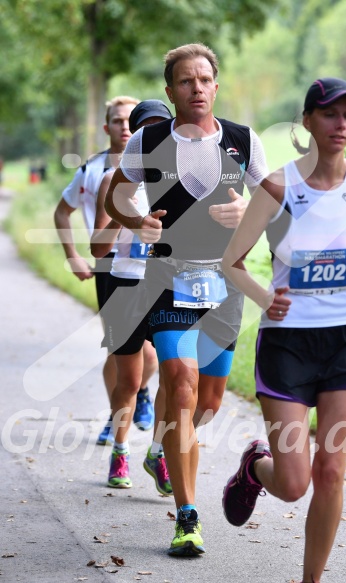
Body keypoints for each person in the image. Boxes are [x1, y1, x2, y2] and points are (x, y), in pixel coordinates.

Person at [221, 77, 346, 583]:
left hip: (344, 341)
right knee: (294, 484)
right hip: (287, 344)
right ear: (308, 121)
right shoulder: (278, 186)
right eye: (330, 114)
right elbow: (233, 262)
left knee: (331, 472)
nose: (341, 124)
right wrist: (265, 299)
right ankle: (256, 467)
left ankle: (310, 580)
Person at [104, 43, 268, 556]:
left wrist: (246, 211)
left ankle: (160, 451)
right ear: (170, 90)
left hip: (225, 285)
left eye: (204, 80)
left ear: (216, 86)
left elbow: (274, 205)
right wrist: (137, 221)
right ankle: (187, 517)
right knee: (181, 382)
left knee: (208, 403)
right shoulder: (148, 140)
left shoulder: (243, 141)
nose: (196, 89)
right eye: (185, 81)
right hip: (168, 279)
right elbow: (116, 192)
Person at [54, 96, 155, 445]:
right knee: (118, 349)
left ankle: (139, 393)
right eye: (118, 121)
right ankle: (118, 418)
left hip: (148, 265)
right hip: (109, 265)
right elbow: (61, 213)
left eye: (131, 121)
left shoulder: (162, 169)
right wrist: (72, 257)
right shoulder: (93, 170)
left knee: (152, 351)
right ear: (106, 127)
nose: (125, 127)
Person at [90, 99, 173, 493]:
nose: (154, 137)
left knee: (176, 376)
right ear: (137, 136)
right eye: (147, 130)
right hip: (126, 286)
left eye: (162, 128)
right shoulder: (114, 180)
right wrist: (130, 224)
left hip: (168, 286)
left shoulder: (181, 178)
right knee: (130, 379)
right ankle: (120, 448)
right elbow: (97, 247)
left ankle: (158, 452)